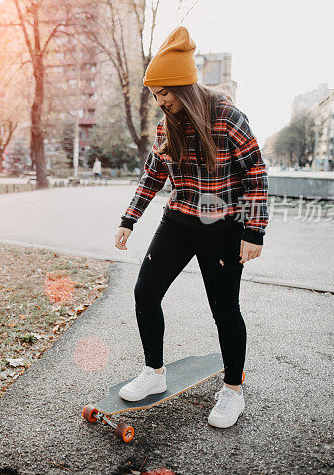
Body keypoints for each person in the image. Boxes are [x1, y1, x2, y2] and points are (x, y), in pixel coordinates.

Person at [113, 26, 269, 429]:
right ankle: (154, 373)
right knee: (145, 292)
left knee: (224, 309)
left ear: (184, 85)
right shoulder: (168, 126)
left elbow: (255, 172)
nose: (161, 101)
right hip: (179, 220)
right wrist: (129, 220)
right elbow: (152, 176)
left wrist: (254, 231)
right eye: (156, 95)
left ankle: (233, 390)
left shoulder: (227, 116)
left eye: (166, 92)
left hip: (222, 226)